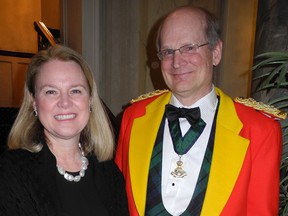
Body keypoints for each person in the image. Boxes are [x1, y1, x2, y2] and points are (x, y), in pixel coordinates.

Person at [115, 5, 285, 216]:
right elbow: (117, 203)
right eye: (168, 52)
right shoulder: (133, 118)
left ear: (216, 52)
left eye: (189, 48)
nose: (177, 62)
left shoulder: (260, 131)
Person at [0, 45, 129, 216]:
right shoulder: (12, 171)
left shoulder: (110, 173)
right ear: (33, 101)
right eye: (51, 91)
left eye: (75, 91)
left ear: (90, 100)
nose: (65, 103)